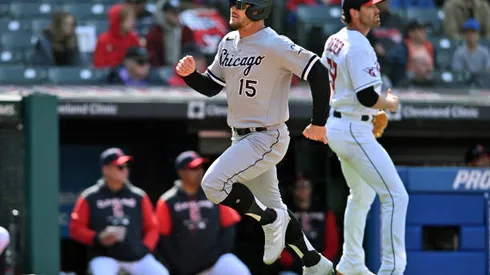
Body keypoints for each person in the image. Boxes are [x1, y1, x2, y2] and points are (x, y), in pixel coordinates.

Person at [175, 0, 334, 273]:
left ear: (258, 9)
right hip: (241, 137)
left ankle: (269, 220)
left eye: (242, 4)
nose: (234, 9)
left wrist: (319, 123)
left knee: (213, 184)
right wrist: (191, 76)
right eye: (233, 3)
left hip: (267, 136)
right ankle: (313, 261)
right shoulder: (228, 41)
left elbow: (318, 70)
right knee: (275, 204)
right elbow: (213, 86)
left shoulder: (274, 43)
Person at [321, 0, 409, 274]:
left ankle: (351, 263)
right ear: (354, 12)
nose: (377, 11)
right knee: (396, 196)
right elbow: (368, 96)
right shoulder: (359, 45)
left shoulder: (335, 39)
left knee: (360, 195)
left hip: (341, 124)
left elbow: (331, 83)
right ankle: (391, 269)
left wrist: (369, 112)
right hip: (352, 129)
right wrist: (389, 103)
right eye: (371, 6)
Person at [69, 148, 169, 275]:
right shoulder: (90, 196)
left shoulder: (138, 195)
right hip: (104, 256)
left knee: (161, 273)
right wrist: (97, 237)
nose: (125, 170)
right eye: (119, 167)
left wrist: (144, 248)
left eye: (125, 166)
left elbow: (153, 227)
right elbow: (75, 228)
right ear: (106, 169)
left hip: (136, 257)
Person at [155, 150, 250, 275]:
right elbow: (164, 238)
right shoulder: (167, 200)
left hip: (215, 262)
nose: (199, 171)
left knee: (239, 271)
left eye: (200, 167)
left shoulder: (214, 193)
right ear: (181, 172)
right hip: (185, 267)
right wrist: (178, 264)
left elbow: (229, 226)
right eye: (193, 168)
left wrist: (217, 254)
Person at [279, 177, 340, 275]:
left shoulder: (325, 212)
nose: (302, 189)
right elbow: (277, 245)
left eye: (305, 186)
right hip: (292, 268)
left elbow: (332, 244)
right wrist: (293, 263)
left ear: (311, 189)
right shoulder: (284, 213)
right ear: (293, 190)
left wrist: (320, 263)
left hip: (321, 266)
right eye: (298, 186)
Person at [93, 4, 141, 68]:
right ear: (119, 21)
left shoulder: (133, 38)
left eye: (133, 19)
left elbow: (139, 61)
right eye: (129, 20)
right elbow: (98, 65)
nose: (133, 22)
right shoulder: (103, 40)